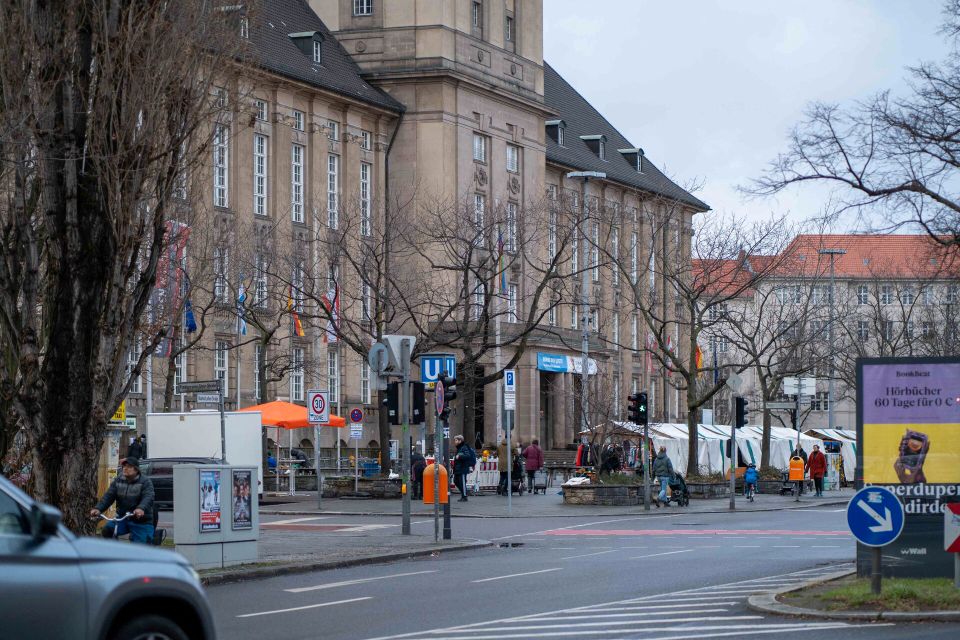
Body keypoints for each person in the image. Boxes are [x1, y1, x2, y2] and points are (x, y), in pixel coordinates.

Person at [89, 457, 155, 544]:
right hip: (124, 518)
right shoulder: (118, 480)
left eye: (129, 466)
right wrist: (98, 508)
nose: (125, 468)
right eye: (124, 466)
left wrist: (140, 508)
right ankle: (117, 552)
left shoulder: (145, 482)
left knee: (140, 548)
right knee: (108, 530)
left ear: (136, 469)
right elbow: (109, 496)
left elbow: (148, 497)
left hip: (141, 521)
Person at [452, 435, 476, 502]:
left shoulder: (464, 447)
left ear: (460, 441)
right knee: (456, 481)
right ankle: (464, 492)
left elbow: (467, 455)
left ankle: (464, 496)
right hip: (458, 468)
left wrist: (459, 456)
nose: (455, 442)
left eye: (456, 440)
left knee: (462, 482)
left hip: (462, 468)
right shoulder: (459, 448)